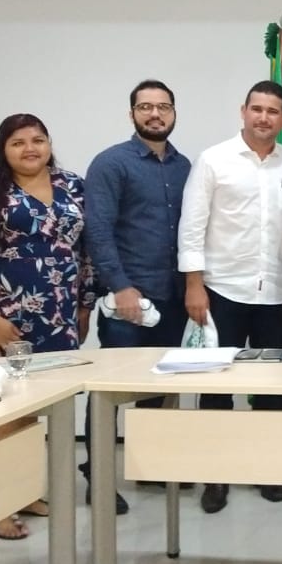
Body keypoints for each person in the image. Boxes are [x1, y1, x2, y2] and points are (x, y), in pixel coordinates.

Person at [0, 113, 97, 540]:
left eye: (38, 140)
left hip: (57, 318)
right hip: (1, 321)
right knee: (3, 411)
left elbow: (87, 250)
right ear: (3, 148)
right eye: (18, 142)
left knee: (34, 411)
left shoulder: (73, 186)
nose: (30, 148)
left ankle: (24, 491)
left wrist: (84, 306)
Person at [178, 80, 282, 514]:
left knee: (271, 388)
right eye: (257, 109)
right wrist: (194, 284)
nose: (264, 118)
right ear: (243, 111)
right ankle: (216, 474)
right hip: (222, 290)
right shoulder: (214, 159)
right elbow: (192, 225)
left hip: (276, 292)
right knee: (217, 388)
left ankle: (267, 467)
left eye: (273, 111)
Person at [81, 80, 193, 514]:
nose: (155, 114)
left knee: (158, 387)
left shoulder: (185, 166)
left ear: (174, 113)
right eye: (145, 107)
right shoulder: (111, 163)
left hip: (173, 296)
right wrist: (120, 285)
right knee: (110, 390)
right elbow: (98, 231)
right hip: (129, 297)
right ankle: (98, 475)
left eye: (163, 107)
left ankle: (151, 465)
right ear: (132, 114)